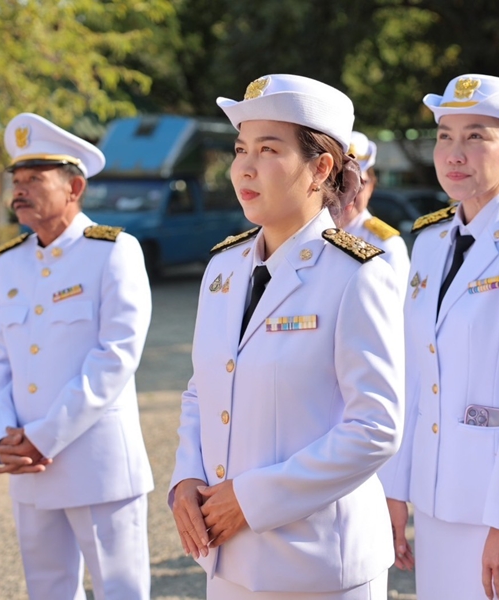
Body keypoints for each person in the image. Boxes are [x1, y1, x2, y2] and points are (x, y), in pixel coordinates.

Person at [169, 74, 405, 599]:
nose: (244, 167)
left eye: (269, 149)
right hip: (228, 558)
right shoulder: (224, 268)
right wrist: (185, 479)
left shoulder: (357, 274)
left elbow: (376, 427)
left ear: (321, 168)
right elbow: (201, 389)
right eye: (240, 149)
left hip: (319, 566)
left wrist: (250, 499)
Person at [379, 74, 499, 600]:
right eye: (445, 136)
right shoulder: (431, 240)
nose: (454, 153)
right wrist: (395, 488)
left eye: (475, 136)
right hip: (436, 493)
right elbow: (415, 375)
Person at [0, 113, 153, 600]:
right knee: (48, 590)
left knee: (121, 591)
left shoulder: (114, 251)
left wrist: (43, 437)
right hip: (28, 466)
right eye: (17, 180)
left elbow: (116, 356)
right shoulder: (8, 263)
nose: (20, 189)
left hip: (96, 464)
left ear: (74, 187)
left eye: (35, 179)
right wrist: (4, 437)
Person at [335, 131, 411, 289]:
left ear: (371, 187)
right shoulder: (305, 232)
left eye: (359, 184)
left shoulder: (387, 246)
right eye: (339, 182)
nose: (349, 193)